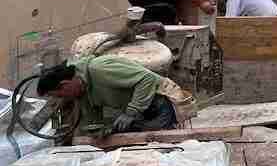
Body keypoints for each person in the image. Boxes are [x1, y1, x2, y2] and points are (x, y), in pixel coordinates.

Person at [36, 56, 176, 139]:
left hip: (160, 101)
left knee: (155, 145)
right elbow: (92, 120)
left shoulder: (99, 69)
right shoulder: (82, 90)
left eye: (61, 95)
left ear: (65, 84)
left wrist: (131, 112)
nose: (63, 99)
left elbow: (147, 79)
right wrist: (98, 131)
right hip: (142, 109)